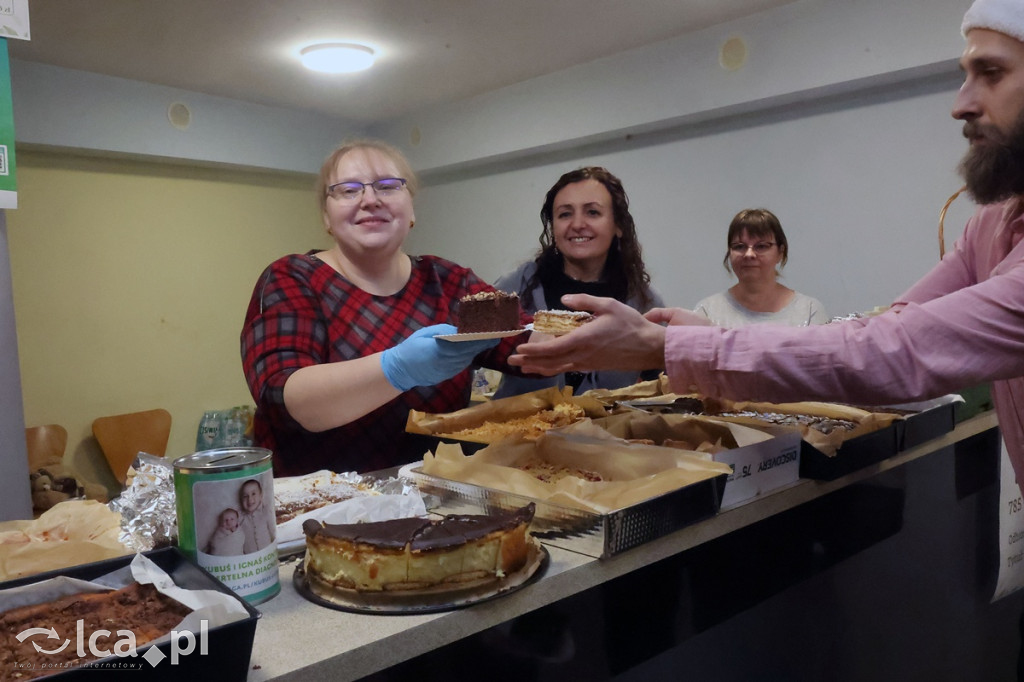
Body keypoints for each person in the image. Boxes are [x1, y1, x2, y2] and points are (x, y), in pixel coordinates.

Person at [509, 0, 1024, 497]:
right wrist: (709, 338)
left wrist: (668, 347)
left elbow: (887, 353)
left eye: (992, 73)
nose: (961, 103)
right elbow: (893, 322)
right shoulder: (993, 221)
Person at [241, 139, 526, 476]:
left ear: (412, 211)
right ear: (326, 217)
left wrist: (596, 340)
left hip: (436, 502)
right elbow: (284, 399)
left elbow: (524, 342)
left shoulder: (448, 282)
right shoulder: (292, 278)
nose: (370, 200)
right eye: (348, 190)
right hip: (321, 510)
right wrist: (396, 369)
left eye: (388, 186)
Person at [493, 166, 664, 397]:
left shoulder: (644, 303)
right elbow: (467, 350)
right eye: (565, 214)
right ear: (553, 228)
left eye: (592, 212)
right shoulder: (516, 288)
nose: (577, 224)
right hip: (516, 430)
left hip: (605, 431)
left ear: (618, 226)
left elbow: (663, 386)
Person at [693, 208, 826, 328]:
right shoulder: (706, 312)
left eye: (761, 246)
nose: (749, 254)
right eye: (739, 246)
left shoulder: (809, 311)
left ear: (781, 252)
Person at [238, 478, 275, 553]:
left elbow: (273, 532)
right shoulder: (240, 518)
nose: (250, 499)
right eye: (245, 496)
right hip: (250, 558)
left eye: (253, 494)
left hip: (267, 554)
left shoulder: (266, 512)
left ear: (261, 496)